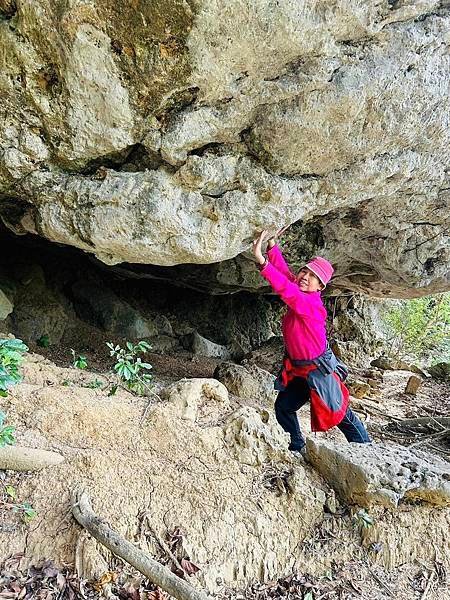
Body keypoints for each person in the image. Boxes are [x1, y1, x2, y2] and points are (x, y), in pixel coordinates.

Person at [252, 228, 371, 455]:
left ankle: (368, 452)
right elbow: (287, 277)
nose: (306, 277)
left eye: (313, 276)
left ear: (320, 287)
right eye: (304, 272)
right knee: (284, 407)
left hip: (319, 371)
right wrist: (272, 246)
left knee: (340, 413)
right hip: (299, 371)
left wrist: (262, 262)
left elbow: (287, 289)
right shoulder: (301, 292)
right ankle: (297, 444)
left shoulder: (311, 305)